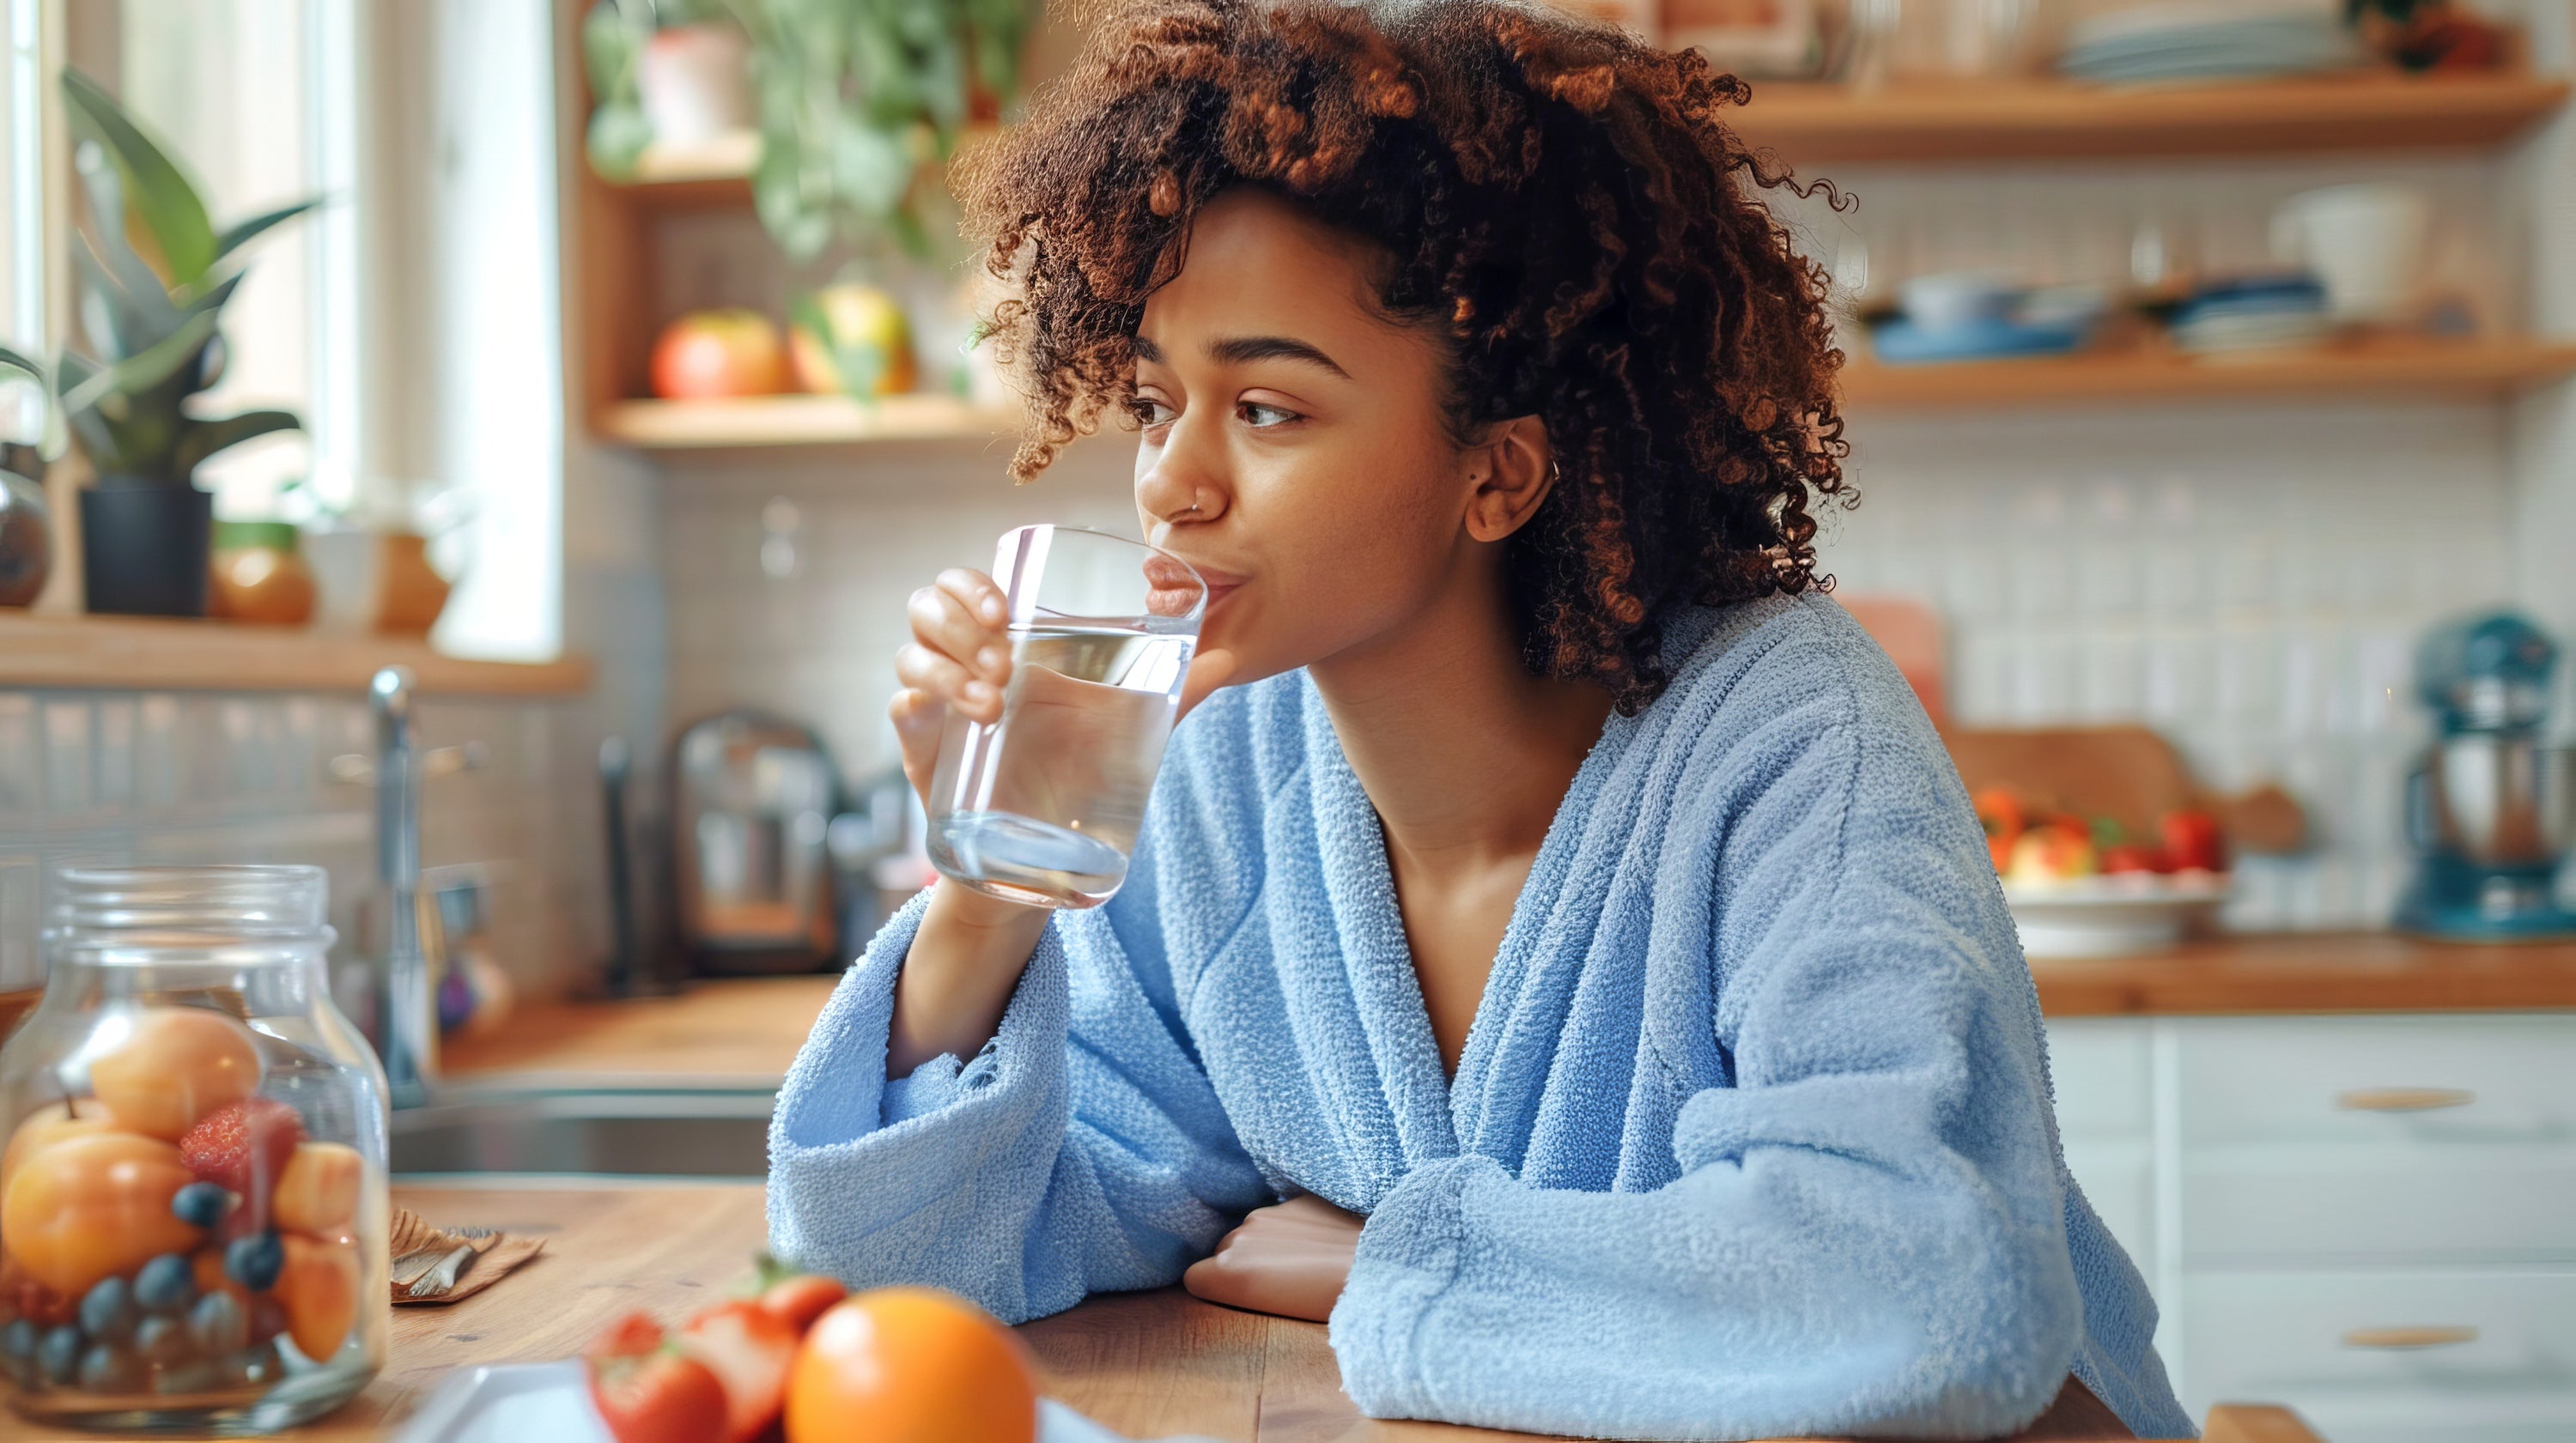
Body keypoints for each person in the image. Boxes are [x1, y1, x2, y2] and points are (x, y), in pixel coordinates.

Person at [769, 1, 2192, 1438]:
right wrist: (988, 889)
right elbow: (934, 1265)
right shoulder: (1225, 769)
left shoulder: (1786, 739)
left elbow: (1927, 1293)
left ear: (1501, 474)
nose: (1169, 484)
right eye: (1153, 399)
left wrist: (1400, 1260)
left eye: (1265, 408)